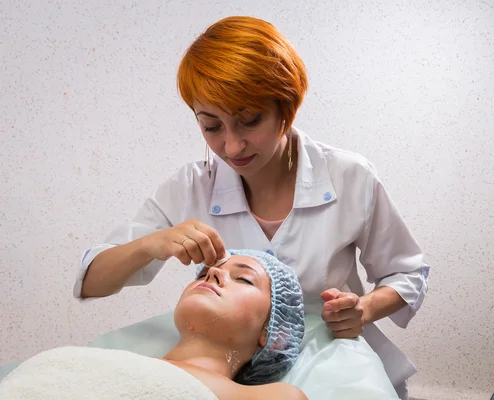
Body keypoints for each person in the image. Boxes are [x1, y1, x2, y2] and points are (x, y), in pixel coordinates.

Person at [74, 15, 430, 398]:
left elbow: (407, 273)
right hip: (224, 360)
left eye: (249, 121)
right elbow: (91, 279)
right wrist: (152, 243)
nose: (232, 146)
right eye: (211, 127)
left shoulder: (349, 176)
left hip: (329, 350)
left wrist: (364, 307)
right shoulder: (190, 187)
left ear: (286, 106)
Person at [2, 250, 307, 400]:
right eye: (203, 274)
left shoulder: (270, 397)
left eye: (243, 278)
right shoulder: (108, 362)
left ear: (276, 336)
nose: (212, 273)